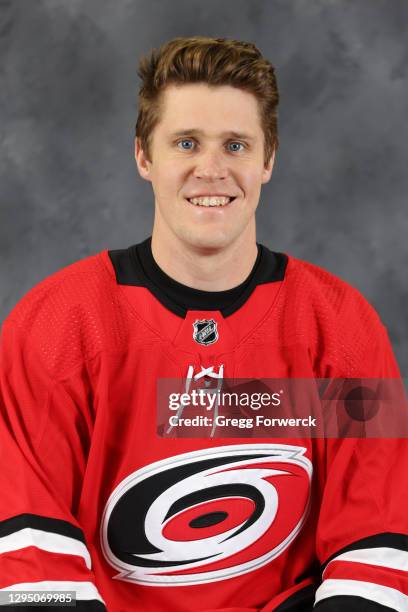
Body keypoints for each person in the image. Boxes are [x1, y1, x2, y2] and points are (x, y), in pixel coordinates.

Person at [0, 36, 407, 612]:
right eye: (185, 142)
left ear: (268, 159)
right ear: (144, 156)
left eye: (236, 145)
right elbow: (32, 561)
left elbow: (376, 551)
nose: (211, 170)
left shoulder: (341, 328)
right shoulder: (55, 325)